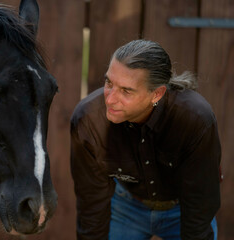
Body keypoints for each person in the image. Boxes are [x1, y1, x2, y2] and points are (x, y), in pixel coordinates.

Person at [70, 39, 221, 240]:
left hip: (182, 208)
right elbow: (91, 204)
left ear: (157, 94)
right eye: (109, 83)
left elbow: (199, 206)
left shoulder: (195, 120)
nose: (110, 99)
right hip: (125, 206)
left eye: (126, 90)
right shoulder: (88, 120)